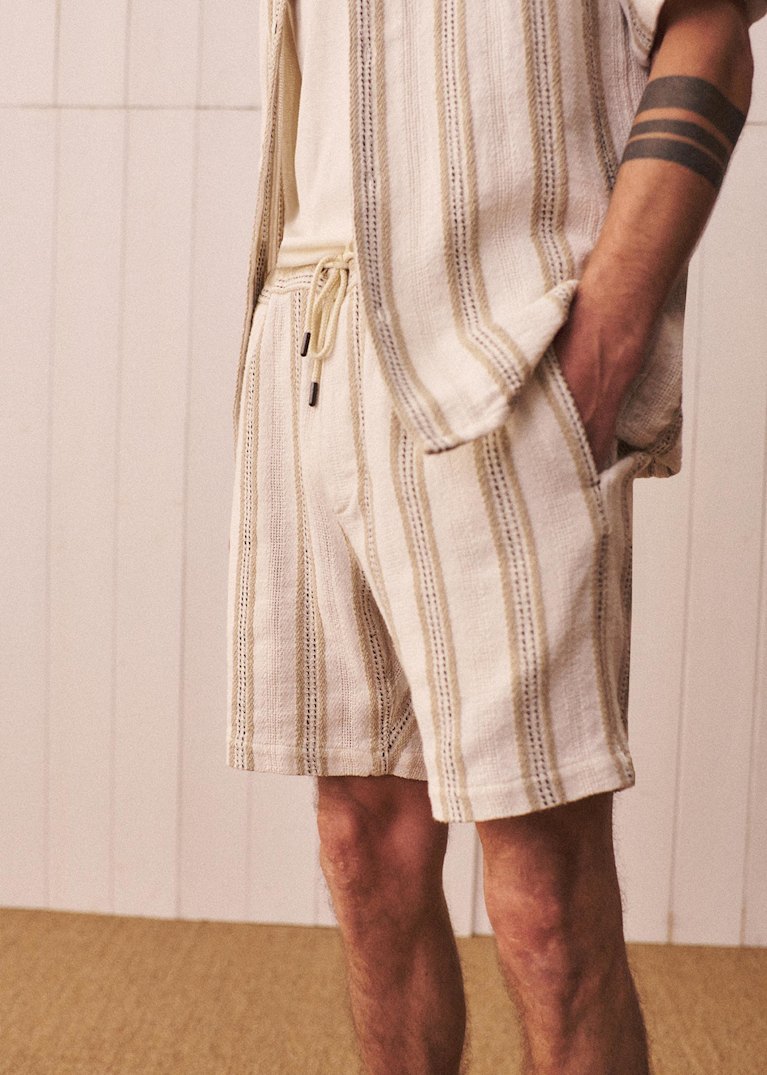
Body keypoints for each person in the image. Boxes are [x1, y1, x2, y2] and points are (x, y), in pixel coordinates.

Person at [226, 1, 764, 1071]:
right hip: (309, 331)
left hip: (498, 334)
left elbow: (707, 29)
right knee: (362, 840)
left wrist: (603, 343)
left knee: (542, 888)